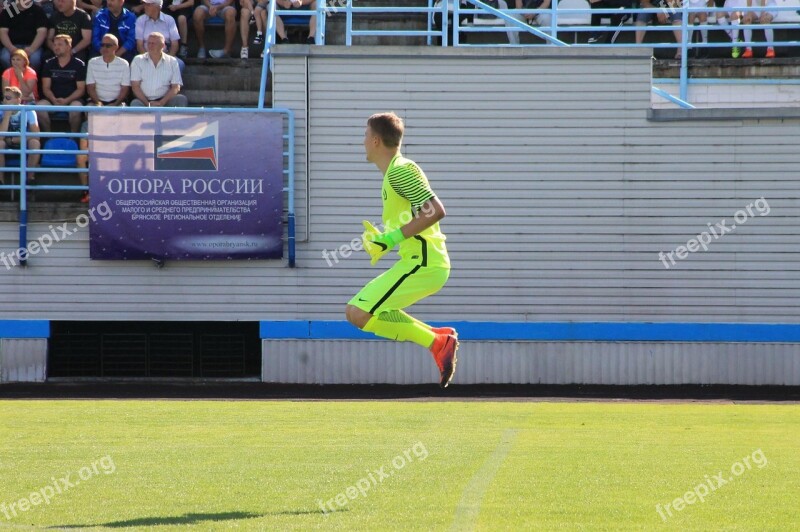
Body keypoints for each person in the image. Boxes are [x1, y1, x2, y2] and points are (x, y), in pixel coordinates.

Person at [345, 112, 458, 389]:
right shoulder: (395, 172)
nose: (362, 142)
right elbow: (415, 217)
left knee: (358, 312)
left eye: (364, 136)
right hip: (419, 262)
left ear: (375, 140)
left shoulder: (399, 171)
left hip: (425, 264)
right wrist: (383, 241)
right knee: (366, 312)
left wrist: (391, 237)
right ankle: (438, 340)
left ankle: (438, 343)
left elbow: (435, 210)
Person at [37, 34, 86, 132]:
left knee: (75, 109)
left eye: (60, 44)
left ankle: (74, 138)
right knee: (39, 107)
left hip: (72, 100)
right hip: (52, 100)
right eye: (55, 45)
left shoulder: (79, 64)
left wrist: (67, 100)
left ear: (69, 47)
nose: (56, 47)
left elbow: (81, 89)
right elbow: (46, 88)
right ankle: (48, 136)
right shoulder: (48, 64)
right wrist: (53, 99)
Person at [130, 31, 188, 106]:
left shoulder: (172, 61)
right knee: (135, 104)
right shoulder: (138, 60)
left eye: (153, 43)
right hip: (144, 101)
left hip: (165, 100)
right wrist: (147, 103)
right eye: (149, 43)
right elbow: (135, 87)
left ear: (163, 46)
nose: (150, 46)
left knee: (181, 99)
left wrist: (161, 102)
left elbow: (176, 87)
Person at [0, 86, 41, 188]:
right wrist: (7, 116)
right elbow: (1, 137)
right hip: (6, 143)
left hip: (23, 144)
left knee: (35, 143)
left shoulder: (29, 111)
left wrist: (18, 139)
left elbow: (36, 134)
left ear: (18, 100)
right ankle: (1, 180)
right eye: (4, 98)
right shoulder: (1, 111)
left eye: (8, 98)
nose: (5, 101)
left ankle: (30, 179)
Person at [0, 0, 49, 72]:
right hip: (12, 46)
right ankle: (12, 78)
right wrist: (12, 48)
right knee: (5, 57)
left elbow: (42, 32)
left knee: (35, 59)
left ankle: (30, 79)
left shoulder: (37, 11)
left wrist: (32, 49)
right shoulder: (9, 11)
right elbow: (3, 32)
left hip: (32, 46)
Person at [135, 0, 185, 70]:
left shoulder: (169, 20)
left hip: (166, 55)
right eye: (144, 4)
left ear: (158, 7)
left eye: (148, 5)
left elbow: (175, 44)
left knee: (180, 64)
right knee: (135, 63)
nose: (145, 7)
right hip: (146, 56)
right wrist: (149, 60)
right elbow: (139, 45)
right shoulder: (140, 20)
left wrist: (167, 60)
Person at [86, 34, 131, 105]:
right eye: (102, 45)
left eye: (108, 46)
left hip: (118, 102)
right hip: (96, 101)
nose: (104, 48)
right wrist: (98, 103)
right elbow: (90, 87)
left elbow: (125, 88)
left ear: (116, 47)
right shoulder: (92, 62)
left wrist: (115, 104)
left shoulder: (124, 64)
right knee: (89, 110)